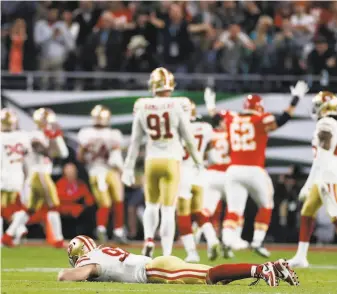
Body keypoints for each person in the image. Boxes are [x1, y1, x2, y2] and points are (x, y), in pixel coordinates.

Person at [204, 81, 309, 258]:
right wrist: (295, 99)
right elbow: (283, 119)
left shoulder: (232, 118)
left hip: (233, 170)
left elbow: (215, 116)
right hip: (254, 170)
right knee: (266, 205)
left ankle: (229, 239)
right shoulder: (261, 119)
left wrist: (210, 104)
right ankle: (257, 241)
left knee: (234, 210)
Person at [122, 67, 202, 258]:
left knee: (151, 205)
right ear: (171, 85)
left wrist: (128, 168)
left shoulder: (143, 105)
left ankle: (148, 239)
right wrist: (198, 160)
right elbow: (188, 138)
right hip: (171, 161)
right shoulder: (177, 104)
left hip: (152, 161)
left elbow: (135, 141)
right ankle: (166, 252)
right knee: (168, 210)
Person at [59, 235, 299, 287]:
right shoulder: (101, 251)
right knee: (216, 275)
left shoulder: (89, 259)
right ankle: (272, 268)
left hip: (155, 270)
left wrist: (62, 276)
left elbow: (82, 273)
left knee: (210, 277)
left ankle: (262, 269)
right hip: (159, 263)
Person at [2, 108, 69, 247]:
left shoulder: (49, 135)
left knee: (30, 209)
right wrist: (52, 138)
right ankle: (58, 240)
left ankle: (8, 235)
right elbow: (45, 152)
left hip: (40, 173)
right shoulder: (32, 136)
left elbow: (63, 154)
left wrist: (55, 136)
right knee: (53, 205)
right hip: (38, 173)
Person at [289, 92, 337, 268]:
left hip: (329, 175)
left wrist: (308, 184)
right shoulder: (331, 123)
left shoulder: (326, 123)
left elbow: (322, 156)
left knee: (335, 216)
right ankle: (301, 256)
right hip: (325, 174)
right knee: (307, 211)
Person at [177, 101, 220, 263]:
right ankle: (212, 239)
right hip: (200, 173)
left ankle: (192, 252)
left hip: (183, 172)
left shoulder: (177, 127)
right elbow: (212, 152)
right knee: (197, 211)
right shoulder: (206, 128)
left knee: (183, 214)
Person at [77, 105, 126, 243]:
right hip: (96, 170)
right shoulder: (86, 133)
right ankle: (101, 230)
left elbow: (116, 156)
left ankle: (118, 231)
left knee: (118, 201)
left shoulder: (113, 133)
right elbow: (80, 157)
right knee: (105, 203)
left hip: (112, 169)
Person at [0, 108, 31, 245]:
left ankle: (11, 233)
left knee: (7, 209)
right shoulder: (23, 136)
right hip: (18, 175)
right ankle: (18, 229)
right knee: (14, 207)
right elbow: (27, 157)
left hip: (3, 175)